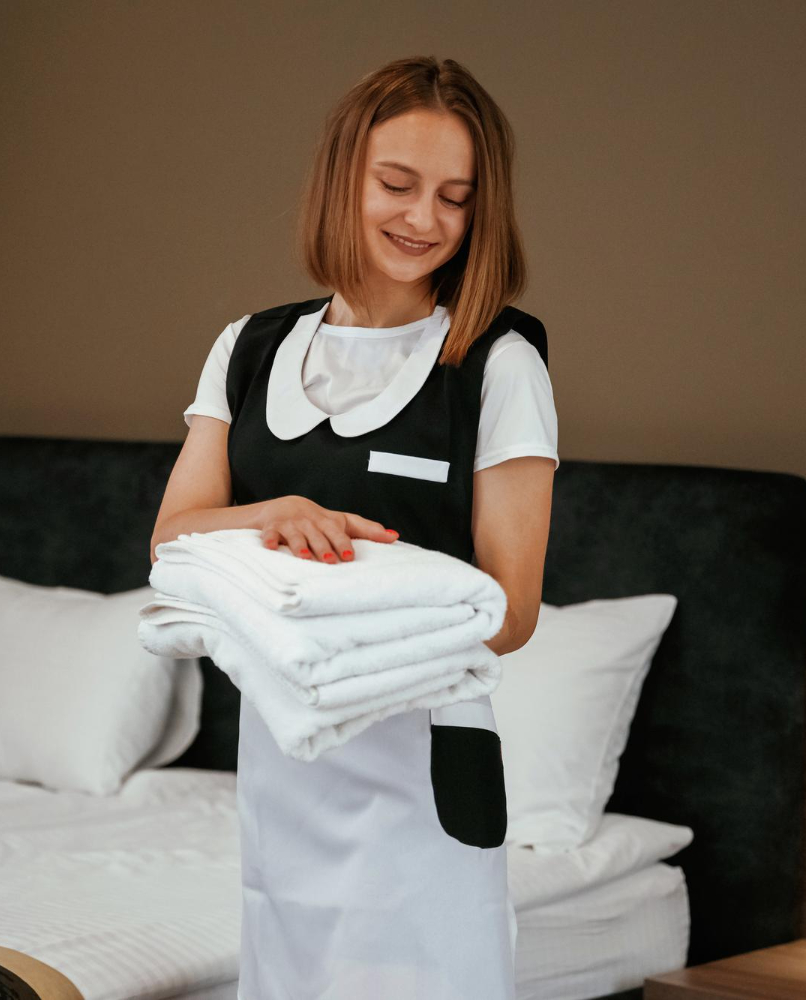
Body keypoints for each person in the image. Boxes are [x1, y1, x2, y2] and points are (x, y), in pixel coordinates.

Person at [149, 54, 557, 1000]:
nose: (425, 221)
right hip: (285, 759)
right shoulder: (249, 347)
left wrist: (350, 600)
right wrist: (276, 517)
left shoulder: (497, 362)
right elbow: (173, 544)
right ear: (344, 177)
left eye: (456, 198)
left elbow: (512, 610)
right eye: (398, 184)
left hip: (424, 768)